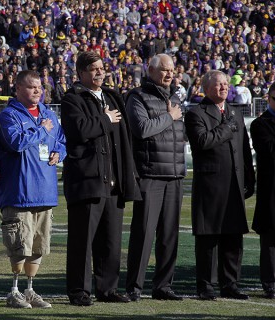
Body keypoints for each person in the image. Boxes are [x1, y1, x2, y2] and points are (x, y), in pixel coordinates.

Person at [61, 51, 139, 306]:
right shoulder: (72, 99)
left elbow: (123, 142)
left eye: (101, 67)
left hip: (113, 181)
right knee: (82, 241)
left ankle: (107, 289)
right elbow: (80, 130)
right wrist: (105, 119)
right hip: (87, 180)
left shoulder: (112, 97)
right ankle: (79, 291)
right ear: (81, 73)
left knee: (111, 241)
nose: (99, 72)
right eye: (93, 69)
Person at [0, 70, 66, 309]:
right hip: (19, 192)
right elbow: (16, 143)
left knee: (38, 245)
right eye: (31, 87)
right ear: (17, 89)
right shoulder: (9, 116)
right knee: (19, 244)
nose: (37, 90)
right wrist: (42, 130)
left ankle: (30, 290)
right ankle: (13, 291)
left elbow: (62, 141)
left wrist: (60, 153)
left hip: (45, 191)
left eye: (39, 87)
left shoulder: (49, 115)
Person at [184, 70, 255, 301]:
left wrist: (250, 179)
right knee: (208, 238)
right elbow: (203, 142)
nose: (224, 87)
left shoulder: (234, 112)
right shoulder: (196, 113)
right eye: (219, 84)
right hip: (211, 185)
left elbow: (244, 149)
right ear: (206, 88)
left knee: (233, 236)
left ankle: (230, 283)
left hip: (235, 184)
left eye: (226, 84)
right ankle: (206, 285)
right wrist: (227, 128)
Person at [125, 54, 186, 302]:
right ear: (150, 70)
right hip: (150, 174)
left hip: (174, 175)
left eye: (172, 70)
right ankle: (134, 286)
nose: (169, 74)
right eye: (164, 70)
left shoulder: (174, 98)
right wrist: (169, 117)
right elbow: (141, 130)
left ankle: (163, 286)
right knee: (143, 233)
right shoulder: (137, 97)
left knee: (169, 235)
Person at [250, 80, 275, 299]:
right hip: (272, 191)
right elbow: (270, 150)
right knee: (270, 239)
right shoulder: (260, 124)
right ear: (268, 98)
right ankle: (270, 283)